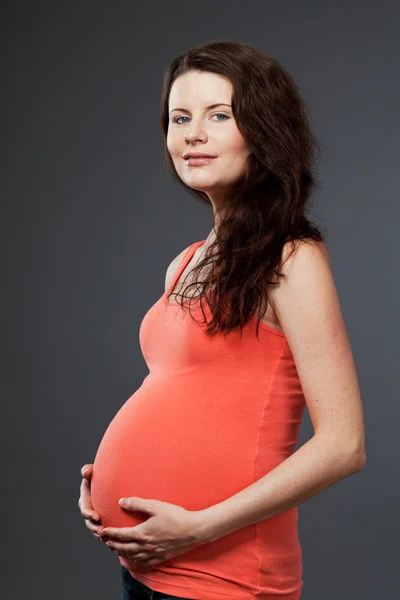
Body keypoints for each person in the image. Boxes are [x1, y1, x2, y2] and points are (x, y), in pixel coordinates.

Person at [78, 40, 366, 600]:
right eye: (180, 117)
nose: (193, 134)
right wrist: (109, 478)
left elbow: (344, 445)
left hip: (223, 576)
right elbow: (190, 396)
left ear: (262, 132)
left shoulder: (290, 257)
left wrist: (198, 527)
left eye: (219, 115)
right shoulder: (186, 260)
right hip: (148, 568)